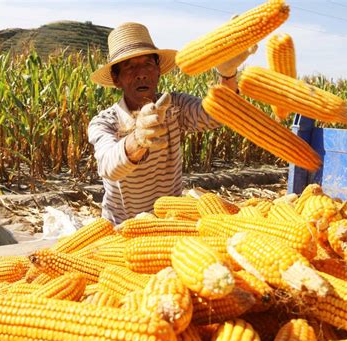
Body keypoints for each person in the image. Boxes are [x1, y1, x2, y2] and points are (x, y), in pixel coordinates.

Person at [88, 22, 256, 225]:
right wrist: (138, 139)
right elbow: (108, 166)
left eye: (148, 64)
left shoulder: (175, 106)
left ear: (158, 71)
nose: (141, 73)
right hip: (123, 228)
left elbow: (216, 116)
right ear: (116, 79)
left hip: (170, 223)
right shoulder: (104, 122)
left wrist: (227, 75)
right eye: (130, 66)